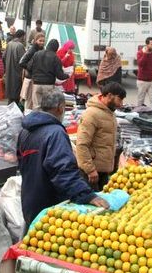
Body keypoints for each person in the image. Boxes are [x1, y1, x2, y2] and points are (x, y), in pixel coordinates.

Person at [17, 89, 109, 226]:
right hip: (49, 204)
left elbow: (21, 163)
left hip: (28, 200)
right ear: (60, 108)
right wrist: (87, 195)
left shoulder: (25, 131)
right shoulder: (55, 133)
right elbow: (63, 170)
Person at [75, 82, 126, 191]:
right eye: (119, 99)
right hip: (92, 173)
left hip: (103, 171)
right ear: (109, 96)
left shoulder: (110, 112)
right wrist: (90, 170)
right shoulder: (91, 114)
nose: (121, 104)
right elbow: (82, 145)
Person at [27, 39, 69, 110]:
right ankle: (46, 120)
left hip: (36, 84)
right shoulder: (56, 58)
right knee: (47, 107)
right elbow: (60, 76)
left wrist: (34, 75)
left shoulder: (37, 54)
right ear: (56, 48)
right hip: (48, 86)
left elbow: (29, 67)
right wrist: (67, 75)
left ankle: (37, 120)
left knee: (37, 107)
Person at [19, 33, 45, 110]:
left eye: (43, 41)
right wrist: (31, 69)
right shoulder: (32, 50)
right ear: (35, 40)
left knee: (33, 102)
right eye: (40, 41)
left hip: (35, 79)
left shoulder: (40, 50)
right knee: (29, 102)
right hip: (30, 79)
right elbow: (22, 62)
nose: (42, 43)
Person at [136, 36, 152, 109]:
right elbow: (140, 64)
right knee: (140, 100)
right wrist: (145, 54)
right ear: (147, 45)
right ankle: (139, 114)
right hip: (142, 81)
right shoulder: (140, 53)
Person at [3, 30, 26, 104]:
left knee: (11, 96)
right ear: (22, 36)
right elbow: (23, 60)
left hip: (9, 72)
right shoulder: (20, 45)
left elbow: (3, 57)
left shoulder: (9, 44)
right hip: (17, 73)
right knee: (16, 95)